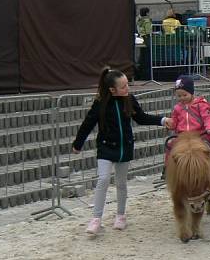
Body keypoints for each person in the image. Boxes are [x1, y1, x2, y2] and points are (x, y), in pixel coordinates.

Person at [72, 67, 173, 235]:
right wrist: (78, 143)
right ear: (112, 90)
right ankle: (96, 219)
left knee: (121, 183)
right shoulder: (100, 103)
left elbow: (141, 118)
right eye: (124, 86)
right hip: (105, 147)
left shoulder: (129, 99)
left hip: (124, 147)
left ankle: (120, 215)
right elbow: (87, 124)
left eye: (128, 84)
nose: (128, 88)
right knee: (103, 179)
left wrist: (162, 120)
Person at [170, 75, 210, 171]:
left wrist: (209, 127)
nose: (182, 98)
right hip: (183, 135)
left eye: (184, 95)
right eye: (179, 96)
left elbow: (207, 117)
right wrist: (171, 124)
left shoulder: (200, 105)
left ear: (191, 93)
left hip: (200, 133)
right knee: (170, 145)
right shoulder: (177, 108)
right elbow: (175, 120)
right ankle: (167, 168)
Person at [136, 7, 153, 79]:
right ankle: (147, 75)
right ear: (147, 13)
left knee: (142, 56)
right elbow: (148, 31)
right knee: (148, 57)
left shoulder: (138, 19)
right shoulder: (147, 20)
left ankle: (141, 73)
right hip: (146, 38)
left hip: (141, 37)